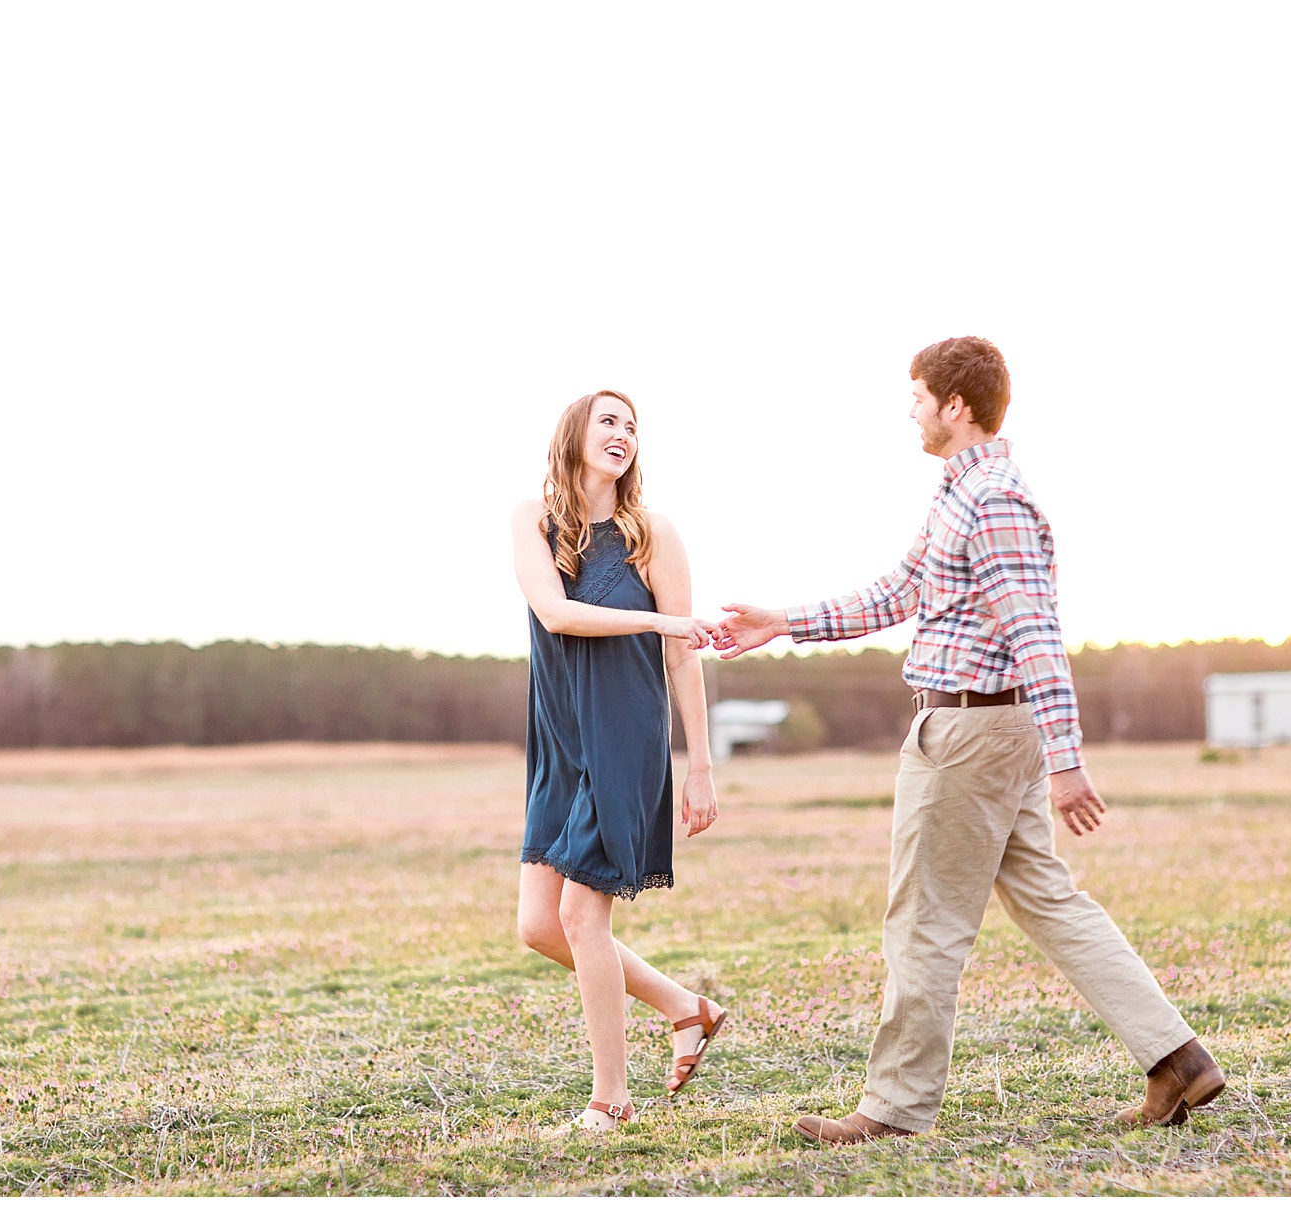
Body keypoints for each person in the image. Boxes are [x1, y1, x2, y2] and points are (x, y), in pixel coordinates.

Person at [716, 337, 1225, 1145]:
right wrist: (785, 622)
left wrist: (1068, 761)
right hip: (987, 727)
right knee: (1049, 899)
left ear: (957, 405)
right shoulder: (960, 493)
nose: (910, 411)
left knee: (923, 920)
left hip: (968, 730)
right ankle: (1178, 1057)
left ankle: (892, 1108)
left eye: (918, 397)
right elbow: (900, 591)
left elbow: (1037, 634)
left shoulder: (993, 499)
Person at [510, 389, 731, 1133]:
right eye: (608, 420)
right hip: (561, 740)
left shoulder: (653, 534)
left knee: (580, 912)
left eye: (632, 426)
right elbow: (557, 613)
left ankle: (611, 1098)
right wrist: (662, 615)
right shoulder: (533, 523)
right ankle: (684, 1005)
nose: (622, 433)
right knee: (540, 925)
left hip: (626, 735)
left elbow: (683, 657)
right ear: (574, 433)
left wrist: (699, 763)